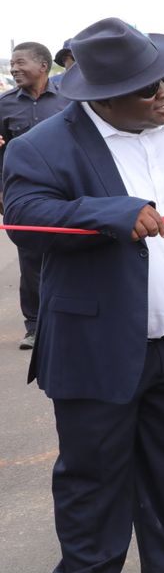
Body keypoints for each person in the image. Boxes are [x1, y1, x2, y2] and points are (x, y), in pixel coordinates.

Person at [2, 18, 164, 573]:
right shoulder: (42, 146)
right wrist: (109, 213)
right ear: (102, 97)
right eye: (148, 87)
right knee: (93, 473)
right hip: (97, 343)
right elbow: (24, 218)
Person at [1, 41, 71, 349]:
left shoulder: (70, 100)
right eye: (12, 64)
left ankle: (66, 320)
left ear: (43, 66)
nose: (14, 69)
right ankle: (34, 325)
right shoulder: (4, 105)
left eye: (20, 63)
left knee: (70, 255)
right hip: (23, 194)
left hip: (66, 191)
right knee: (30, 261)